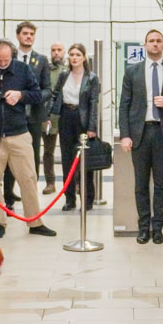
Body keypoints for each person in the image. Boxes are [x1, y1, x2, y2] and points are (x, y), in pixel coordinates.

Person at [0, 39, 55, 238]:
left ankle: (35, 221)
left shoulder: (23, 69)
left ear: (12, 56)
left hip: (19, 132)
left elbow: (38, 94)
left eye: (7, 60)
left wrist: (20, 95)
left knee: (28, 178)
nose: (3, 63)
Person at [118, 28, 163, 244]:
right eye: (151, 41)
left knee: (160, 184)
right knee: (141, 185)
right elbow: (124, 105)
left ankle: (158, 228)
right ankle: (143, 228)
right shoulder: (133, 71)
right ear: (145, 45)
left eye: (159, 41)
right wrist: (125, 135)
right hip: (139, 134)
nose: (155, 44)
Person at [52, 43, 100, 211]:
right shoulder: (64, 75)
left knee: (85, 162)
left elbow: (94, 103)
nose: (74, 57)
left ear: (84, 57)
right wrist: (49, 115)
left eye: (78, 54)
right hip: (66, 116)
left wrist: (92, 127)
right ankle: (69, 198)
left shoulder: (91, 78)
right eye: (72, 54)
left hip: (82, 119)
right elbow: (55, 95)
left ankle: (87, 199)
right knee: (67, 160)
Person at [10, 21, 52, 198]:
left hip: (34, 115)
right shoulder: (10, 58)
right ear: (18, 35)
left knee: (33, 154)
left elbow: (47, 89)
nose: (28, 37)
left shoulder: (41, 60)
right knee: (10, 154)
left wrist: (30, 96)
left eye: (31, 34)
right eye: (25, 33)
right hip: (12, 115)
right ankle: (9, 193)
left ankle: (31, 192)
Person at [42, 41, 67, 191]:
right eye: (53, 50)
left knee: (69, 151)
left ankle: (73, 183)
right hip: (49, 116)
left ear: (64, 52)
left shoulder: (69, 70)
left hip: (65, 115)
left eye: (59, 50)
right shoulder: (46, 70)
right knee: (48, 151)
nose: (56, 53)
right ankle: (50, 182)